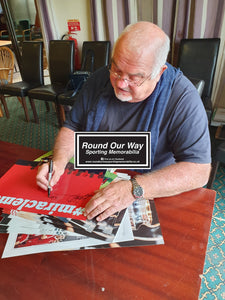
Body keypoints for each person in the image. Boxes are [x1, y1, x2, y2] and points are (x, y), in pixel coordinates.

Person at [36, 21, 211, 222]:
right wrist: (58, 161)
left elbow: (198, 170)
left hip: (150, 186)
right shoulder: (99, 79)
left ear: (159, 73)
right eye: (116, 70)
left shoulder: (182, 97)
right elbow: (73, 127)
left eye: (134, 78)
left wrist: (134, 188)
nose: (120, 83)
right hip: (96, 174)